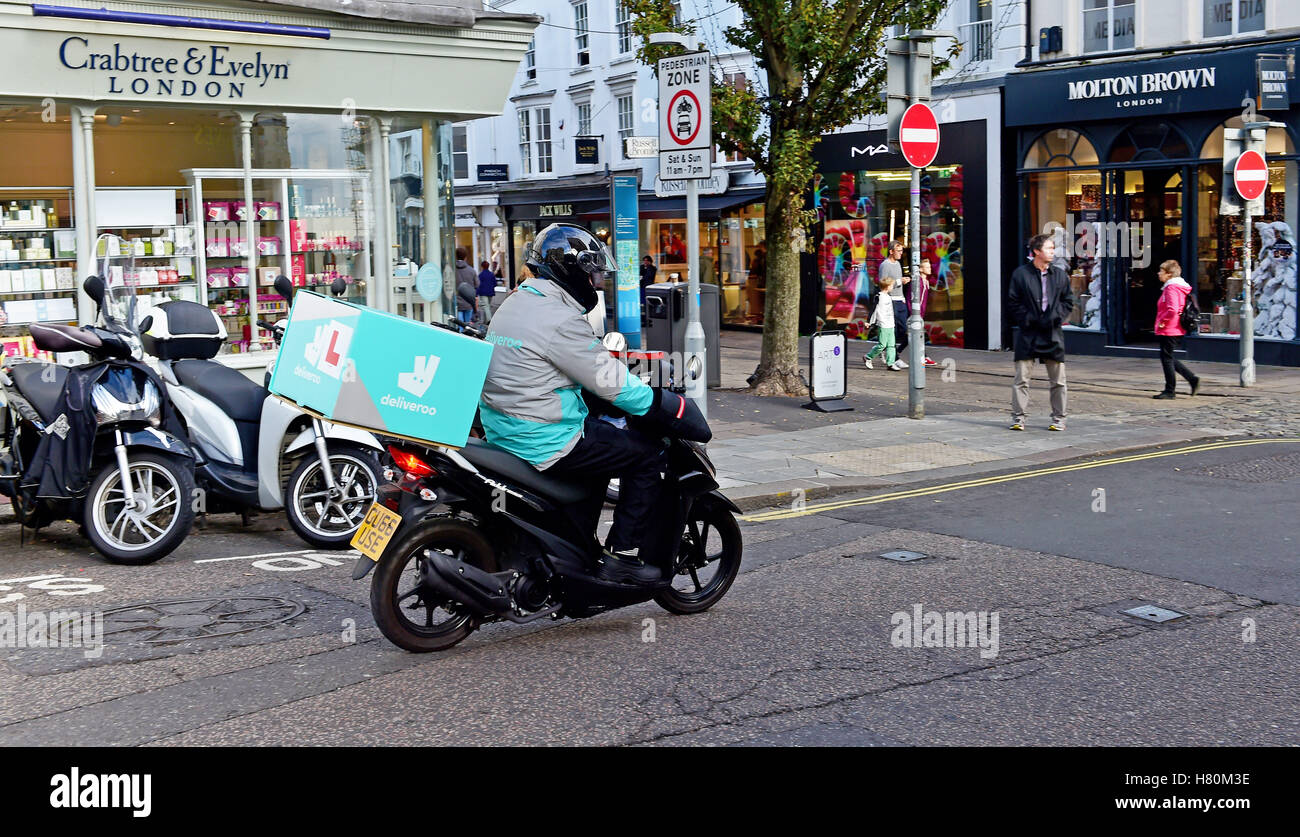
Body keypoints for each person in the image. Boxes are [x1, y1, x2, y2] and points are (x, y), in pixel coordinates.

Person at [480, 223, 678, 586]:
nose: (596, 282)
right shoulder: (559, 319)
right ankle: (623, 556)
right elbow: (610, 380)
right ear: (571, 271)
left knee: (604, 441)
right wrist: (664, 406)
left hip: (506, 428)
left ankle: (574, 546)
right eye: (592, 273)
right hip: (544, 437)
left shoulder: (518, 302)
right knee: (644, 455)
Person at [1008, 233, 1075, 431]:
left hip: (1052, 333)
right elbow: (1013, 302)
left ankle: (1059, 419)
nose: (1052, 252)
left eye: (1053, 249)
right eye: (1049, 249)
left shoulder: (1060, 275)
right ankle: (1018, 418)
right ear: (1037, 251)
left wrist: (1055, 318)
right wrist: (1027, 319)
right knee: (1021, 380)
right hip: (1028, 333)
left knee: (1058, 381)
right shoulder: (1021, 274)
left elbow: (1068, 301)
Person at [1152, 259, 1201, 399]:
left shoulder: (1171, 288)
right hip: (1173, 327)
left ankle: (1170, 390)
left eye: (1161, 271)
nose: (1158, 273)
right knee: (1167, 356)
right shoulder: (1175, 287)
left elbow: (1173, 309)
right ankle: (1192, 379)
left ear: (1169, 274)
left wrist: (1163, 322)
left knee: (1166, 358)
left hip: (1170, 327)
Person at [879, 240, 910, 368]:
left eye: (902, 251)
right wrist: (899, 281)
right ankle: (894, 357)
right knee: (893, 331)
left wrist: (902, 297)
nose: (901, 253)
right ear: (891, 251)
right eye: (898, 251)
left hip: (900, 301)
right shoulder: (885, 265)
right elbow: (882, 283)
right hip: (890, 301)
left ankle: (887, 349)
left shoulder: (898, 264)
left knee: (905, 331)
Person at [862, 275, 904, 370]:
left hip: (890, 324)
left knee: (891, 345)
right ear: (887, 286)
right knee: (882, 345)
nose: (892, 287)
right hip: (883, 324)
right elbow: (873, 309)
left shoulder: (888, 297)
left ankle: (890, 363)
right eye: (892, 285)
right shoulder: (879, 296)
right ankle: (868, 357)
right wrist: (869, 322)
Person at [454, 247, 477, 323]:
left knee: (459, 324)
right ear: (465, 257)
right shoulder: (471, 270)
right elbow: (477, 285)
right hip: (468, 303)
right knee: (467, 325)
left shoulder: (452, 270)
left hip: (456, 302)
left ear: (456, 256)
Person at [476, 260, 497, 325]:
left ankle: (489, 320)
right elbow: (495, 283)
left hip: (483, 293)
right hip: (490, 292)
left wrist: (476, 293)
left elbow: (478, 284)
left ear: (482, 267)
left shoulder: (480, 275)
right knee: (488, 306)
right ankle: (487, 320)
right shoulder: (491, 274)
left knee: (486, 306)